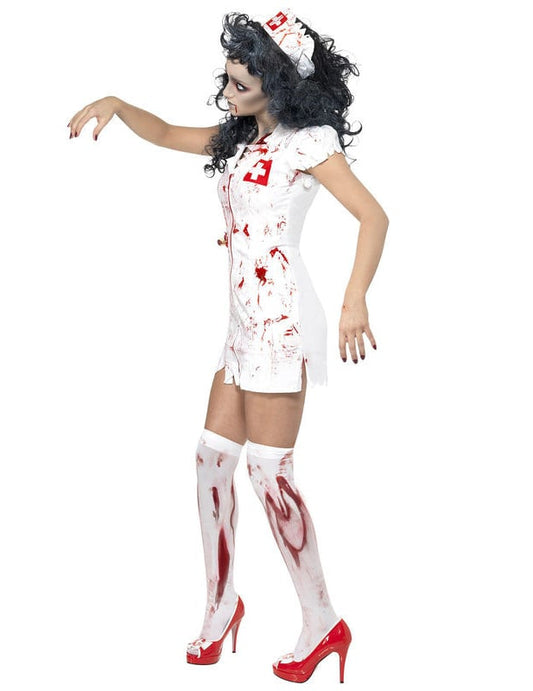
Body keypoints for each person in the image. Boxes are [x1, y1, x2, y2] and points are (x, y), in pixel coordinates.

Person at [67, 7, 389, 684]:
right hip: (241, 324)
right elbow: (164, 132)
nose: (228, 90)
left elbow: (373, 216)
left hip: (282, 322)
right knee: (211, 462)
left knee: (270, 474)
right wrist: (118, 104)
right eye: (228, 78)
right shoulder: (240, 139)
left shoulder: (307, 143)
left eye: (241, 82)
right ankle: (221, 605)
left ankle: (323, 620)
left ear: (279, 83)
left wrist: (354, 298)